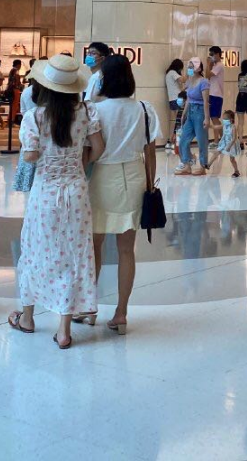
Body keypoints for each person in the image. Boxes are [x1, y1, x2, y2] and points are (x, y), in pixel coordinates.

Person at [8, 54, 103, 349]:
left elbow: (31, 156)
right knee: (73, 254)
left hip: (45, 192)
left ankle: (28, 317)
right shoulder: (87, 111)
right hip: (76, 190)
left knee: (36, 250)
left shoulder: (35, 116)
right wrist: (79, 160)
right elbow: (97, 148)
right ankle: (64, 330)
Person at [86, 55, 160, 335]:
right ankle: (121, 313)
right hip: (133, 176)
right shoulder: (144, 109)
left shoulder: (95, 110)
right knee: (127, 249)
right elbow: (150, 152)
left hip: (100, 177)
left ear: (103, 79)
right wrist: (150, 185)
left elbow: (90, 150)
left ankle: (88, 307)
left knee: (93, 246)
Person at [175, 57, 211, 175]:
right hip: (190, 111)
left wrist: (207, 118)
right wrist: (184, 113)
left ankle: (202, 166)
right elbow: (189, 98)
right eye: (188, 67)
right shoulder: (189, 81)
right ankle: (187, 165)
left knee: (202, 141)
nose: (189, 69)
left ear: (198, 68)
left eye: (191, 67)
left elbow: (206, 101)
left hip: (200, 113)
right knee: (183, 140)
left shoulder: (204, 81)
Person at [205, 45, 226, 144]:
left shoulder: (219, 65)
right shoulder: (214, 65)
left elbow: (208, 75)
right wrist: (209, 65)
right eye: (210, 55)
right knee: (214, 118)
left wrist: (208, 65)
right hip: (212, 94)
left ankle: (217, 141)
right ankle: (222, 139)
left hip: (216, 95)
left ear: (218, 54)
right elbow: (207, 78)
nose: (211, 56)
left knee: (214, 118)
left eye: (212, 54)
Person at [165, 58, 185, 149]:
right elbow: (182, 80)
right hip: (177, 99)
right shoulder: (173, 73)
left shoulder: (169, 73)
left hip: (172, 100)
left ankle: (172, 139)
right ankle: (176, 141)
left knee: (176, 121)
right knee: (179, 121)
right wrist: (191, 73)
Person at [216, 109, 243, 177]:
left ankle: (236, 171)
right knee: (230, 158)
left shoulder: (233, 127)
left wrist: (229, 146)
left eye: (225, 119)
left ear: (231, 119)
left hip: (232, 145)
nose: (223, 120)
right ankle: (236, 171)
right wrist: (210, 126)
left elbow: (234, 138)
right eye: (223, 118)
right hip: (227, 143)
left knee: (232, 159)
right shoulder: (225, 126)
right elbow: (216, 127)